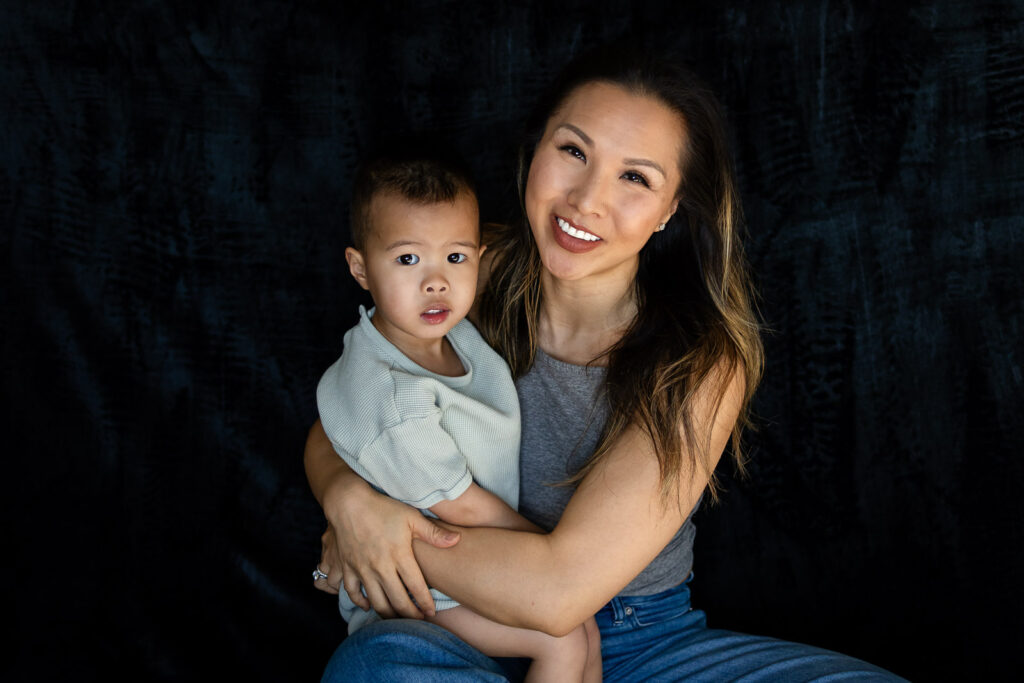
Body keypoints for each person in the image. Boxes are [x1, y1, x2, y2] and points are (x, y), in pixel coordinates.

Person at [305, 43, 908, 681]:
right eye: (573, 151)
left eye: (635, 178)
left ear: (671, 211)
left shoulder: (699, 360)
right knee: (379, 666)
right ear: (535, 150)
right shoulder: (458, 274)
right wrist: (349, 501)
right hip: (458, 622)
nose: (587, 199)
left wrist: (385, 540)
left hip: (642, 638)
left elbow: (560, 595)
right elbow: (345, 413)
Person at [313, 147, 601, 682]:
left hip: (474, 564)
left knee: (581, 631)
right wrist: (550, 559)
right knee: (563, 638)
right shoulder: (392, 393)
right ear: (359, 268)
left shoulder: (457, 335)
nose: (436, 282)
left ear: (479, 255)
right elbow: (461, 509)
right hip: (415, 590)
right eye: (407, 259)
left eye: (455, 257)